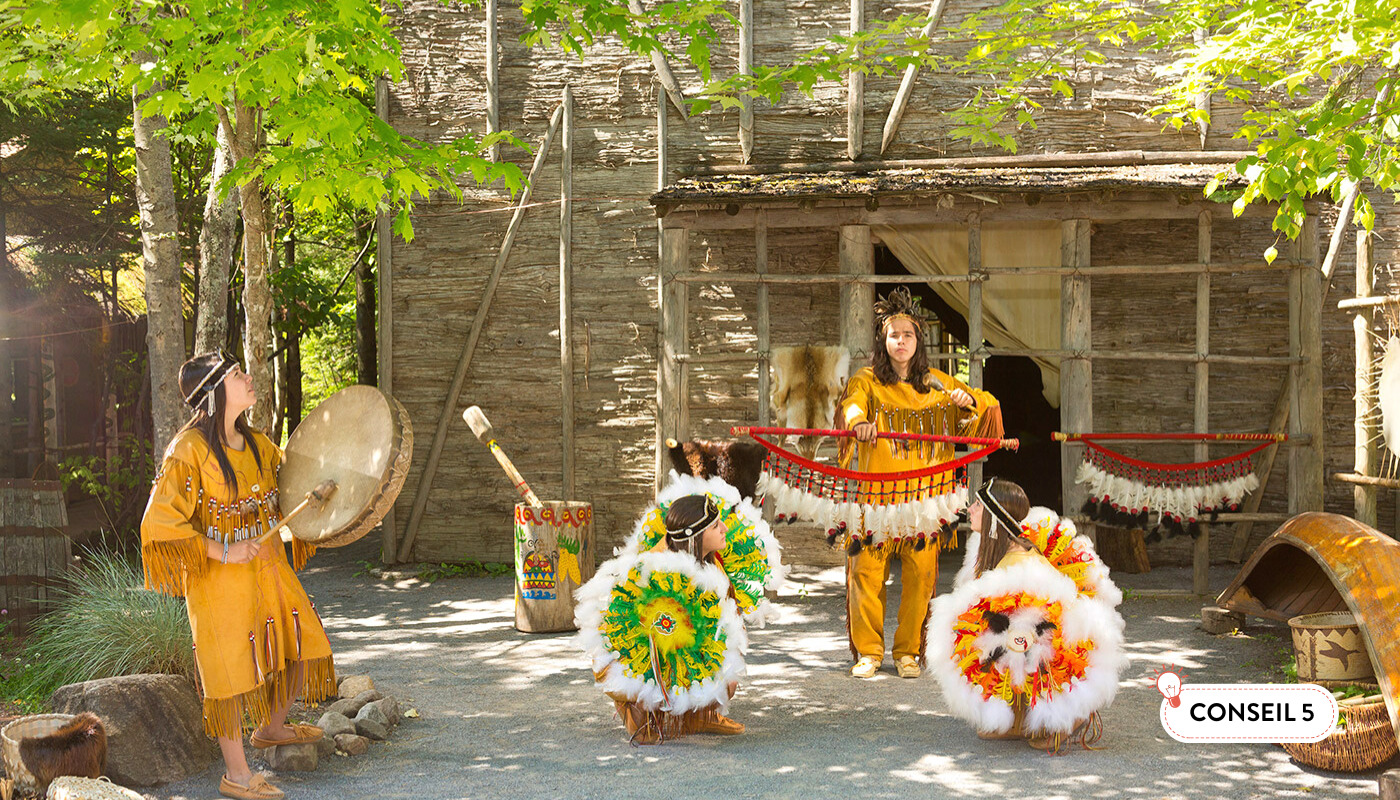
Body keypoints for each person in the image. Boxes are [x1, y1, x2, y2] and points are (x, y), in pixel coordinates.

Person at [141, 351, 336, 800]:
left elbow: (294, 483)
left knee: (306, 643)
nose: (248, 378)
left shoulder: (258, 444)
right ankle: (238, 776)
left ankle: (271, 727)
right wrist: (221, 550)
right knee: (228, 675)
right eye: (236, 374)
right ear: (212, 393)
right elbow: (158, 523)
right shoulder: (187, 452)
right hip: (218, 581)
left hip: (269, 567)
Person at [839, 287, 1003, 680]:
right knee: (865, 573)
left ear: (918, 340)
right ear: (884, 340)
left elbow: (987, 404)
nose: (901, 341)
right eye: (894, 335)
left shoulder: (936, 383)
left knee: (921, 577)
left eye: (908, 335)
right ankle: (869, 652)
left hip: (923, 501)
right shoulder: (867, 380)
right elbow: (852, 404)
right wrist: (859, 424)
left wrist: (969, 403)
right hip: (876, 499)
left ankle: (909, 651)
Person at [577, 494, 749, 745]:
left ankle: (701, 716)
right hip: (647, 658)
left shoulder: (711, 564)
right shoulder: (655, 572)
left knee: (728, 682)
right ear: (695, 537)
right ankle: (639, 712)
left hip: (684, 647)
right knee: (651, 677)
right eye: (715, 526)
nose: (724, 529)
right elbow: (630, 635)